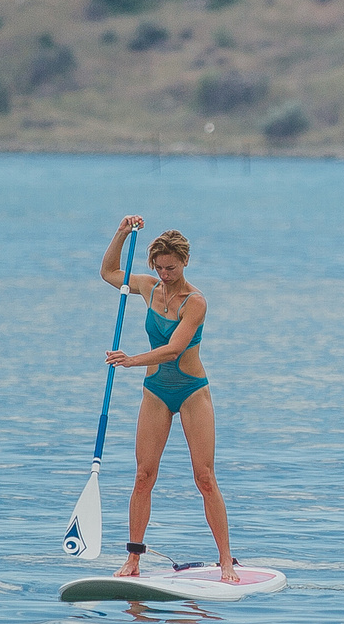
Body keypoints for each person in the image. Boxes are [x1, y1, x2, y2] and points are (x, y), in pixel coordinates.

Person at [98, 214, 240, 583]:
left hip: (192, 391)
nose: (164, 274)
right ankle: (133, 560)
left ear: (185, 263)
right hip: (156, 392)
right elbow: (109, 272)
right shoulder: (146, 287)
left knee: (204, 477)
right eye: (159, 267)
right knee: (143, 475)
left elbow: (175, 349)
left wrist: (132, 360)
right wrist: (121, 233)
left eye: (171, 268)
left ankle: (226, 560)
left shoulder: (196, 302)